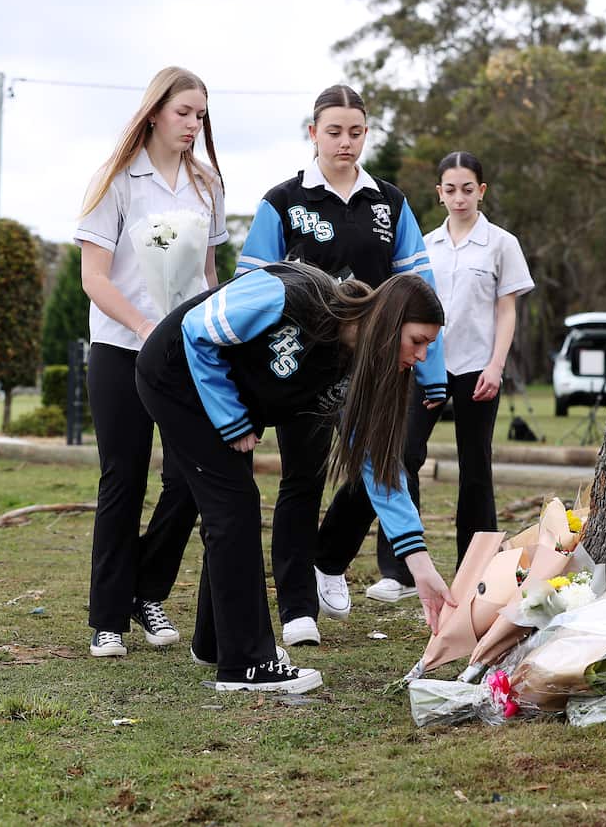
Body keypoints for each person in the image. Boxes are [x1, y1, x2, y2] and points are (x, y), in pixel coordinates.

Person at [134, 261, 455, 692]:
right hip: (175, 373)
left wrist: (419, 566)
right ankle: (246, 664)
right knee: (235, 508)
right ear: (389, 321)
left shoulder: (354, 367)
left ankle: (216, 643)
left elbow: (379, 466)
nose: (420, 356)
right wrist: (230, 416)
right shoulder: (294, 295)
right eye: (417, 341)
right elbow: (197, 328)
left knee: (231, 509)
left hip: (219, 393)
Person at [236, 84, 447, 646]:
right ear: (313, 133)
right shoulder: (283, 202)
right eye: (334, 131)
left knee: (388, 462)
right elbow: (250, 285)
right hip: (301, 369)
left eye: (355, 132)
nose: (345, 142)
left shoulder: (391, 203)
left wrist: (431, 371)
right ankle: (297, 607)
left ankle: (328, 560)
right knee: (301, 478)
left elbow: (419, 289)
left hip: (379, 367)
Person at [321, 151, 535, 602]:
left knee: (476, 469)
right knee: (401, 455)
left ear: (482, 191)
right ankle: (396, 570)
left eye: (468, 188)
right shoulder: (425, 244)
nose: (460, 197)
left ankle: (476, 570)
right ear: (439, 193)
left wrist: (496, 366)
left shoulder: (501, 243)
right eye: (451, 189)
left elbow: (506, 309)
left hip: (477, 367)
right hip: (420, 366)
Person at [75, 66, 228, 658]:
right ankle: (107, 617)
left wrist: (210, 333)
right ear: (155, 111)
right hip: (120, 348)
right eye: (185, 112)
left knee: (191, 476)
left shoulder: (208, 184)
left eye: (201, 115)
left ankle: (146, 589)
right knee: (124, 477)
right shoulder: (115, 179)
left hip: (186, 350)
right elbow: (94, 277)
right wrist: (144, 326)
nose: (194, 124)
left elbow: (209, 274)